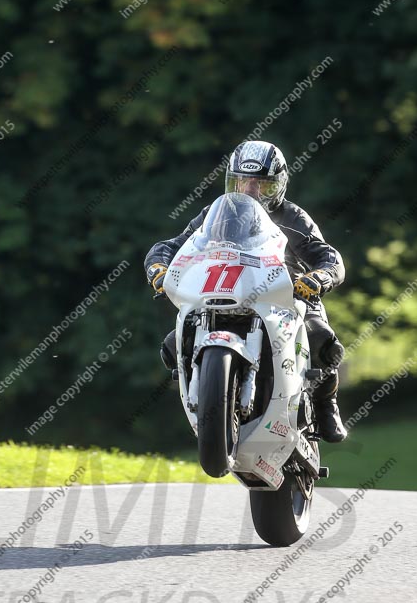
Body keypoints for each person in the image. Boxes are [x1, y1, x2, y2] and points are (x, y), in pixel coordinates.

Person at [144, 140, 347, 443]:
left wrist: (319, 278)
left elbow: (329, 258)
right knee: (174, 344)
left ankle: (326, 405)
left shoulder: (294, 218)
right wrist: (158, 267)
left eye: (261, 185)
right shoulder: (215, 214)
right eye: (242, 182)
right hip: (226, 289)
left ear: (279, 185)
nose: (250, 191)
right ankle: (208, 397)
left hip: (288, 295)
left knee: (322, 341)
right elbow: (174, 246)